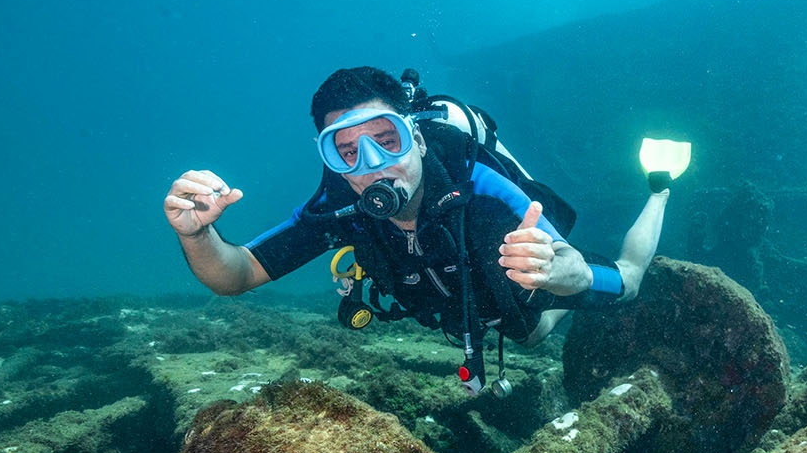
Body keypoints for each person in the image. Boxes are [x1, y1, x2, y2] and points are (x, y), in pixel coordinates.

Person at [163, 66, 675, 389]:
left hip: (524, 281)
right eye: (346, 150)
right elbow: (235, 275)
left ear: (420, 141)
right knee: (529, 337)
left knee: (618, 287)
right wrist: (195, 234)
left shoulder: (479, 183)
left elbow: (566, 259)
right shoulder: (340, 203)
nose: (371, 164)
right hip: (459, 305)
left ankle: (661, 187)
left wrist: (557, 269)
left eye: (387, 139)